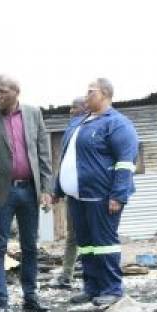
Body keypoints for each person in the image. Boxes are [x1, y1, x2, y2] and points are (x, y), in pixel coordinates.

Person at [0, 75, 53, 312]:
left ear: (17, 92)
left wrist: (47, 189)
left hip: (29, 190)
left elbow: (43, 152)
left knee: (30, 246)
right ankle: (2, 301)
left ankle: (31, 297)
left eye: (3, 92)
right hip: (2, 189)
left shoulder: (33, 114)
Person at [53, 78, 138, 306]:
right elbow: (65, 159)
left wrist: (118, 195)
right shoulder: (79, 123)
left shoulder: (118, 124)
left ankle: (112, 289)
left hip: (102, 196)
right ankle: (92, 287)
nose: (86, 95)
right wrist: (57, 189)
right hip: (77, 197)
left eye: (90, 91)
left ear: (105, 94)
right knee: (87, 244)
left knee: (105, 243)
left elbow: (125, 163)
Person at [55, 96, 87, 289]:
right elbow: (64, 163)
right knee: (73, 235)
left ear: (84, 107)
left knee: (89, 235)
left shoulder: (97, 125)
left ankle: (88, 276)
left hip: (90, 191)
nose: (70, 111)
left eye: (73, 107)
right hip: (74, 192)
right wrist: (58, 189)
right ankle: (67, 275)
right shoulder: (71, 129)